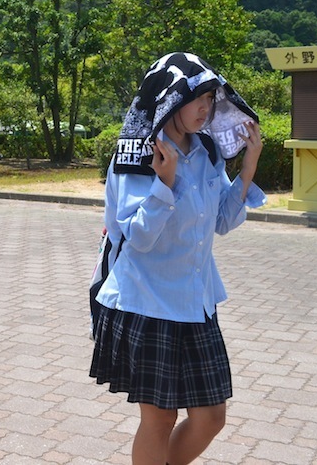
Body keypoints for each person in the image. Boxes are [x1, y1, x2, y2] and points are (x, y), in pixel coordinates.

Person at [90, 52, 265, 465]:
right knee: (160, 418)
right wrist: (164, 184)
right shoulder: (137, 153)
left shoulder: (206, 149)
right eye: (196, 98)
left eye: (211, 98)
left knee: (211, 416)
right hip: (148, 302)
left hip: (197, 301)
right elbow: (137, 237)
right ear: (169, 98)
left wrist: (249, 166)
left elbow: (221, 221)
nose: (206, 108)